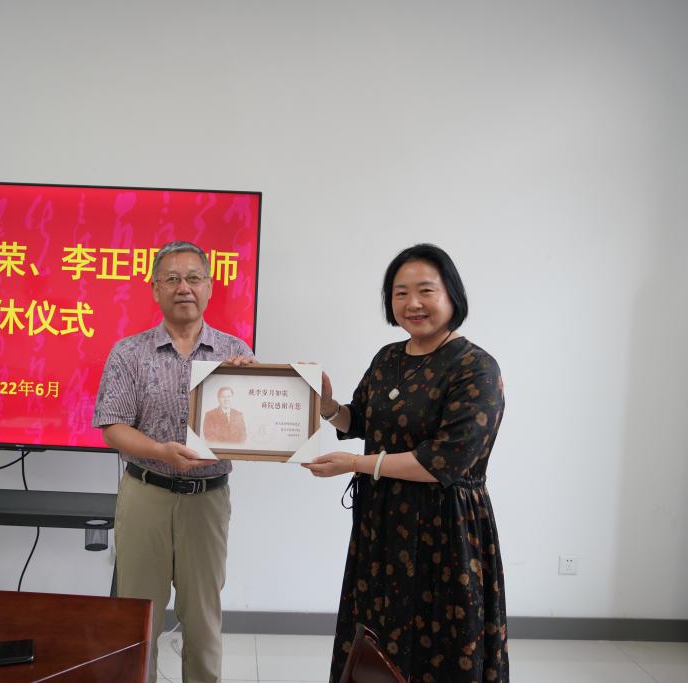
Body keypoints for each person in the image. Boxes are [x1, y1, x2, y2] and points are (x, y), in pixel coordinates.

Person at [303, 243, 508, 683]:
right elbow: (361, 419)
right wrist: (328, 407)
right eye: (400, 293)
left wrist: (357, 463)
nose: (413, 303)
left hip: (445, 531)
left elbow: (444, 461)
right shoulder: (388, 358)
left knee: (440, 646)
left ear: (452, 295)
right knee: (378, 641)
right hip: (382, 527)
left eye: (425, 291)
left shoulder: (476, 368)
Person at [93, 241, 253, 683]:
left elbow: (254, 429)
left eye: (194, 278)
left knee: (202, 616)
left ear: (209, 287)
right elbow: (113, 428)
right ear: (155, 289)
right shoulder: (129, 352)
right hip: (146, 493)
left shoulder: (234, 351)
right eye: (172, 279)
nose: (184, 287)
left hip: (207, 500)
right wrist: (161, 451)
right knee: (137, 614)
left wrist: (251, 381)